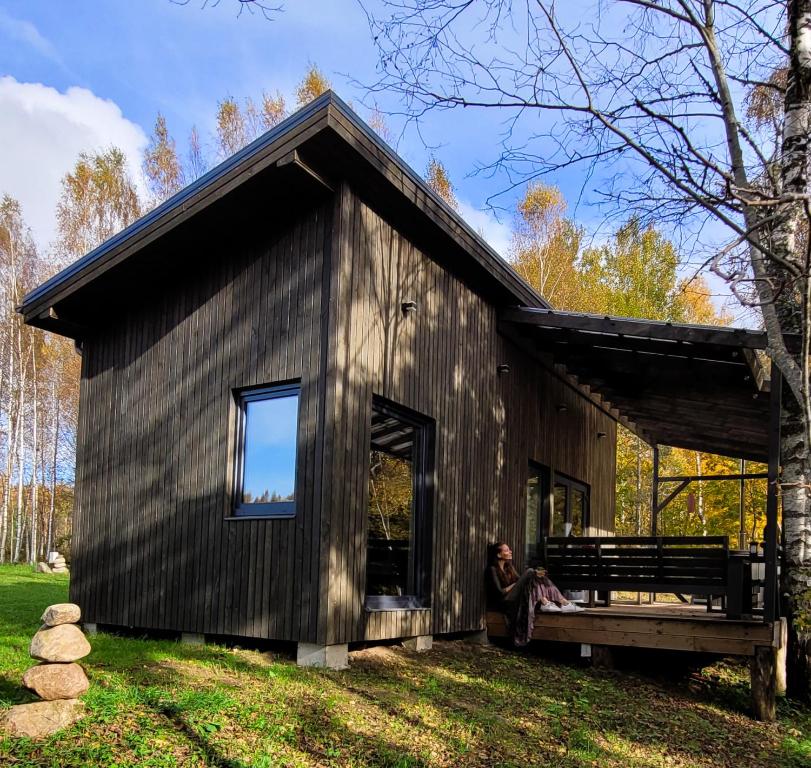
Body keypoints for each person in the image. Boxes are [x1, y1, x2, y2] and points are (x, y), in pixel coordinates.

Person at [486, 541, 584, 646]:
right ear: (499, 554)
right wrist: (516, 584)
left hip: (514, 596)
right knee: (530, 572)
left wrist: (531, 579)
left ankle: (560, 602)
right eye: (506, 550)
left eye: (509, 549)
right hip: (505, 601)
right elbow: (500, 592)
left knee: (538, 576)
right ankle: (555, 603)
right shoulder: (492, 569)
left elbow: (523, 583)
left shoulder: (509, 567)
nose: (510, 551)